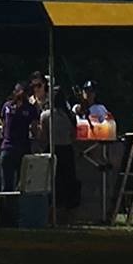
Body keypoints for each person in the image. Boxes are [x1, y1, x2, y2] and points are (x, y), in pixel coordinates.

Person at [32, 71, 79, 212]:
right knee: (68, 181)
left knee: (54, 182)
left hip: (53, 150)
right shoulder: (71, 116)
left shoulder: (46, 115)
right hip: (68, 150)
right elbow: (74, 135)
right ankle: (68, 211)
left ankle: (53, 210)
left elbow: (43, 137)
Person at [0, 80, 37, 193]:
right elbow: (35, 131)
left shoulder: (7, 106)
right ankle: (20, 210)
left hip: (7, 149)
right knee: (24, 188)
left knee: (7, 188)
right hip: (23, 150)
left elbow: (3, 124)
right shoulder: (30, 108)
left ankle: (7, 210)